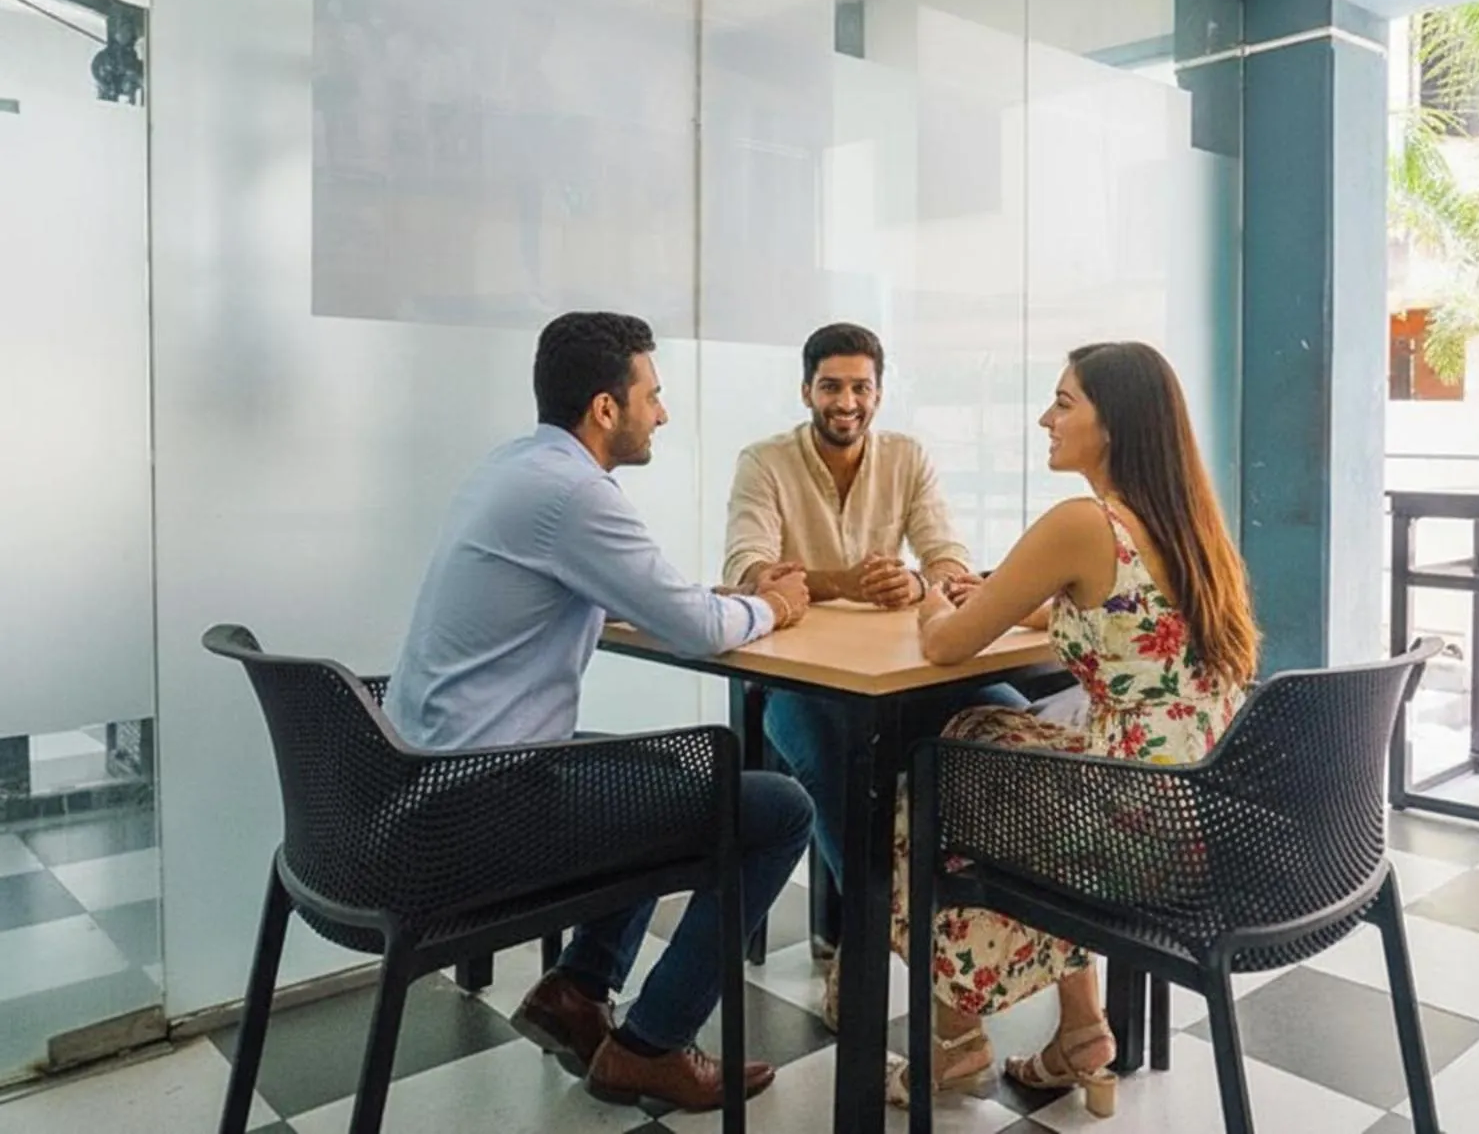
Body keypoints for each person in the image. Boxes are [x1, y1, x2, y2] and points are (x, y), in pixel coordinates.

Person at [384, 312, 814, 1112]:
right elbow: (694, 629)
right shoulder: (575, 494)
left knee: (649, 772)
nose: (664, 412)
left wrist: (717, 602)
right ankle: (649, 1047)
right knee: (778, 806)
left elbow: (636, 594)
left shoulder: (514, 467)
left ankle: (577, 991)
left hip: (430, 771)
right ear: (605, 408)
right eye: (652, 393)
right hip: (482, 797)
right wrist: (773, 607)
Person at [886, 341, 1260, 1115]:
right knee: (990, 740)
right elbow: (1098, 607)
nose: (1045, 418)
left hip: (1135, 815)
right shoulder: (1186, 517)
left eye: (1064, 402)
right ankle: (1082, 1029)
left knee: (938, 781)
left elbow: (947, 644)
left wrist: (933, 597)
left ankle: (955, 1035)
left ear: (1112, 424)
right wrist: (1002, 594)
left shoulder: (1081, 522)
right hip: (1203, 799)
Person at [722, 322, 1028, 1020]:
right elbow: (746, 570)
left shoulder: (907, 457)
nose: (847, 401)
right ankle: (865, 940)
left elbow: (949, 558)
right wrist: (843, 583)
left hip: (896, 674)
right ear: (806, 390)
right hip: (798, 682)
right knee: (835, 761)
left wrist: (920, 580)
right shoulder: (764, 461)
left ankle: (972, 929)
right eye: (831, 386)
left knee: (1013, 720)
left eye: (861, 387)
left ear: (879, 392)